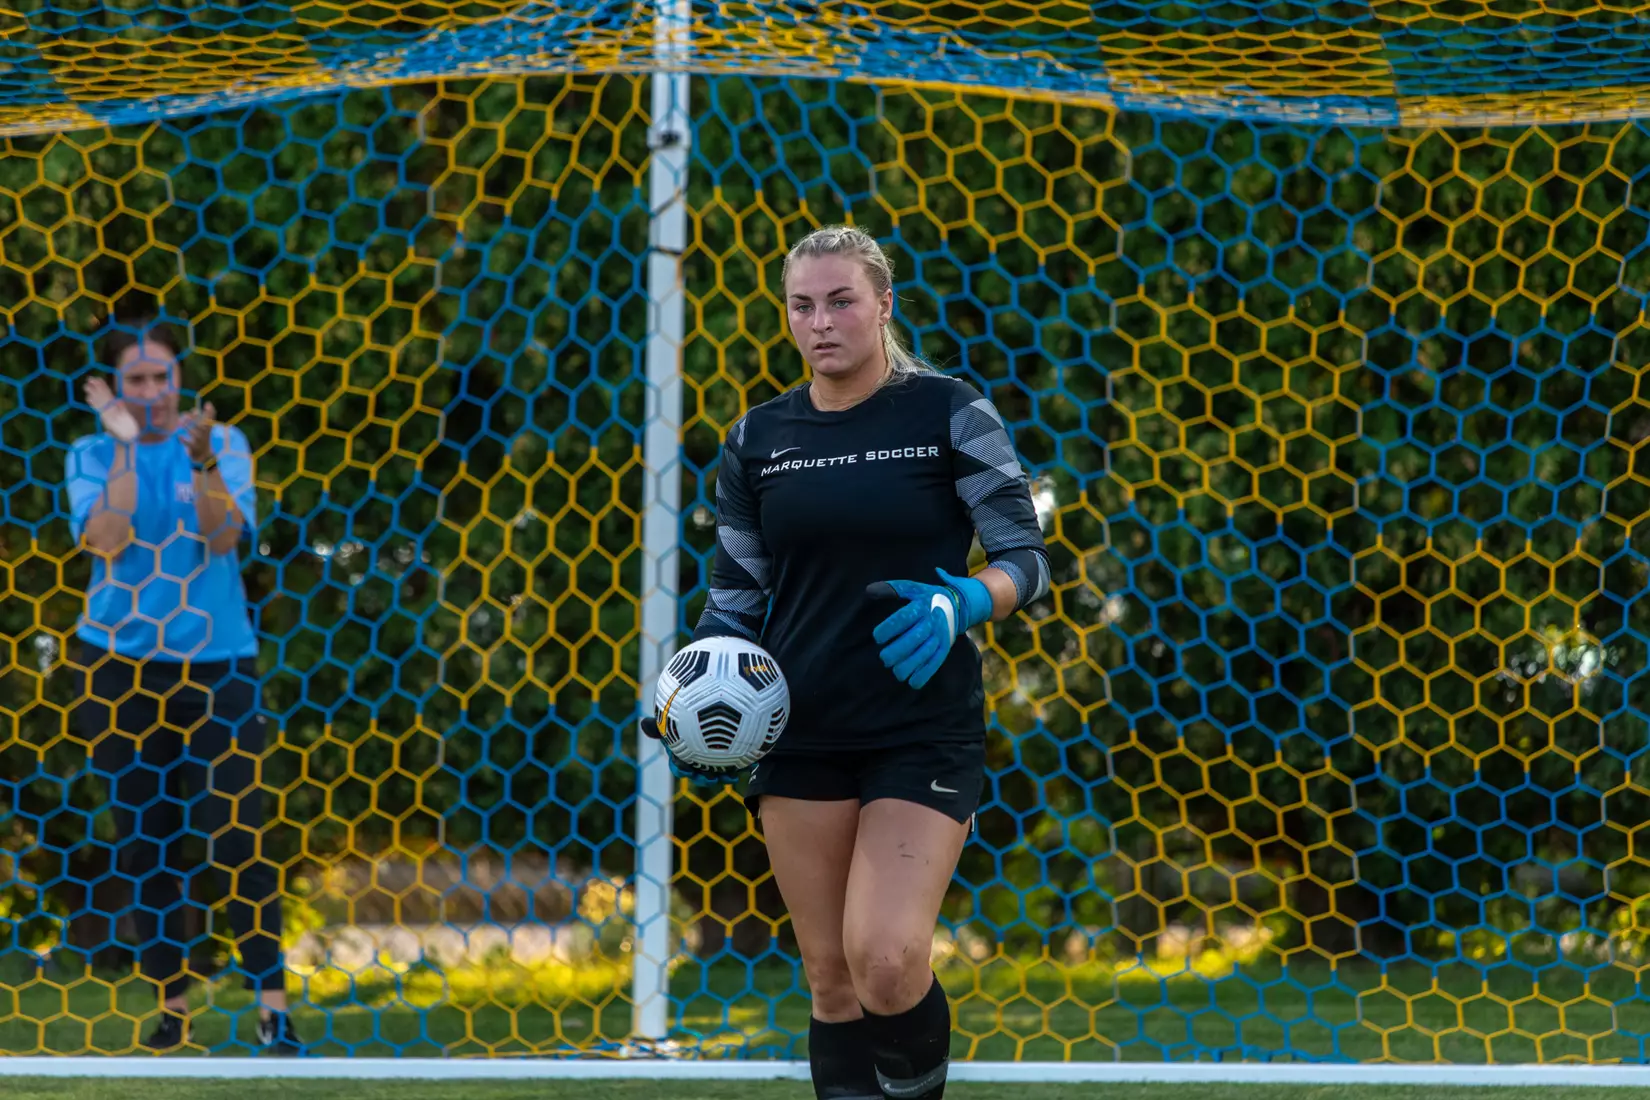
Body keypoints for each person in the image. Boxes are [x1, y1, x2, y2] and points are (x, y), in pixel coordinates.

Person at [644, 226, 1050, 1099]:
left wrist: (965, 601)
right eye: (802, 305)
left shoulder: (950, 410)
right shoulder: (758, 437)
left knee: (888, 961)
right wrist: (693, 692)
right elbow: (736, 596)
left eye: (840, 301)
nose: (820, 322)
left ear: (882, 306)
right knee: (832, 982)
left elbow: (1026, 555)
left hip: (922, 726)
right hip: (800, 729)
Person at [64, 319, 303, 1055]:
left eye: (161, 377)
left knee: (235, 837)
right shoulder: (90, 451)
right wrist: (130, 445)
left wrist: (200, 463)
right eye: (135, 381)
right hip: (119, 667)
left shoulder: (223, 445)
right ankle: (173, 1011)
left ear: (179, 380)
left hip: (218, 664)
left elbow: (225, 538)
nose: (152, 392)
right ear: (113, 388)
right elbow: (107, 540)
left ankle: (274, 1013)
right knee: (147, 845)